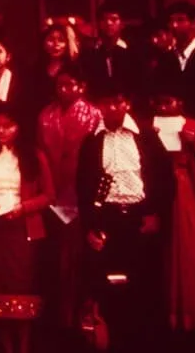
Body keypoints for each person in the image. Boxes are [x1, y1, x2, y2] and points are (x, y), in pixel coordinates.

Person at [76, 87, 174, 353]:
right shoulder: (92, 141)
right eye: (106, 102)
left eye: (117, 102)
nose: (112, 108)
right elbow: (83, 188)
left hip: (141, 220)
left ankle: (144, 344)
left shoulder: (147, 138)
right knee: (110, 287)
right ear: (99, 105)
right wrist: (90, 228)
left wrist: (157, 215)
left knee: (145, 288)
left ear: (127, 103)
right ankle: (112, 342)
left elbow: (167, 180)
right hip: (108, 222)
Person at [0, 108, 54, 353]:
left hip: (23, 229)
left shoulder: (34, 155)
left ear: (18, 127)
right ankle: (7, 347)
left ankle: (25, 347)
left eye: (7, 126)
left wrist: (23, 208)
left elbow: (48, 196)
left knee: (23, 287)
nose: (1, 131)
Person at [36, 64, 102, 336]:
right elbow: (40, 153)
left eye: (69, 85)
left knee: (79, 259)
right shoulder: (45, 115)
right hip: (51, 195)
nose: (64, 89)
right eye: (60, 85)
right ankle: (57, 321)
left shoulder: (94, 113)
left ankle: (81, 317)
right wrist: (48, 190)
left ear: (81, 86)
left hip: (81, 194)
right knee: (54, 259)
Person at [149, 86, 195, 336]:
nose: (163, 108)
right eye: (160, 103)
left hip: (187, 190)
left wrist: (194, 146)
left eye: (168, 102)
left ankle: (192, 313)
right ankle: (164, 312)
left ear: (180, 101)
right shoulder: (148, 127)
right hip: (156, 188)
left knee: (189, 248)